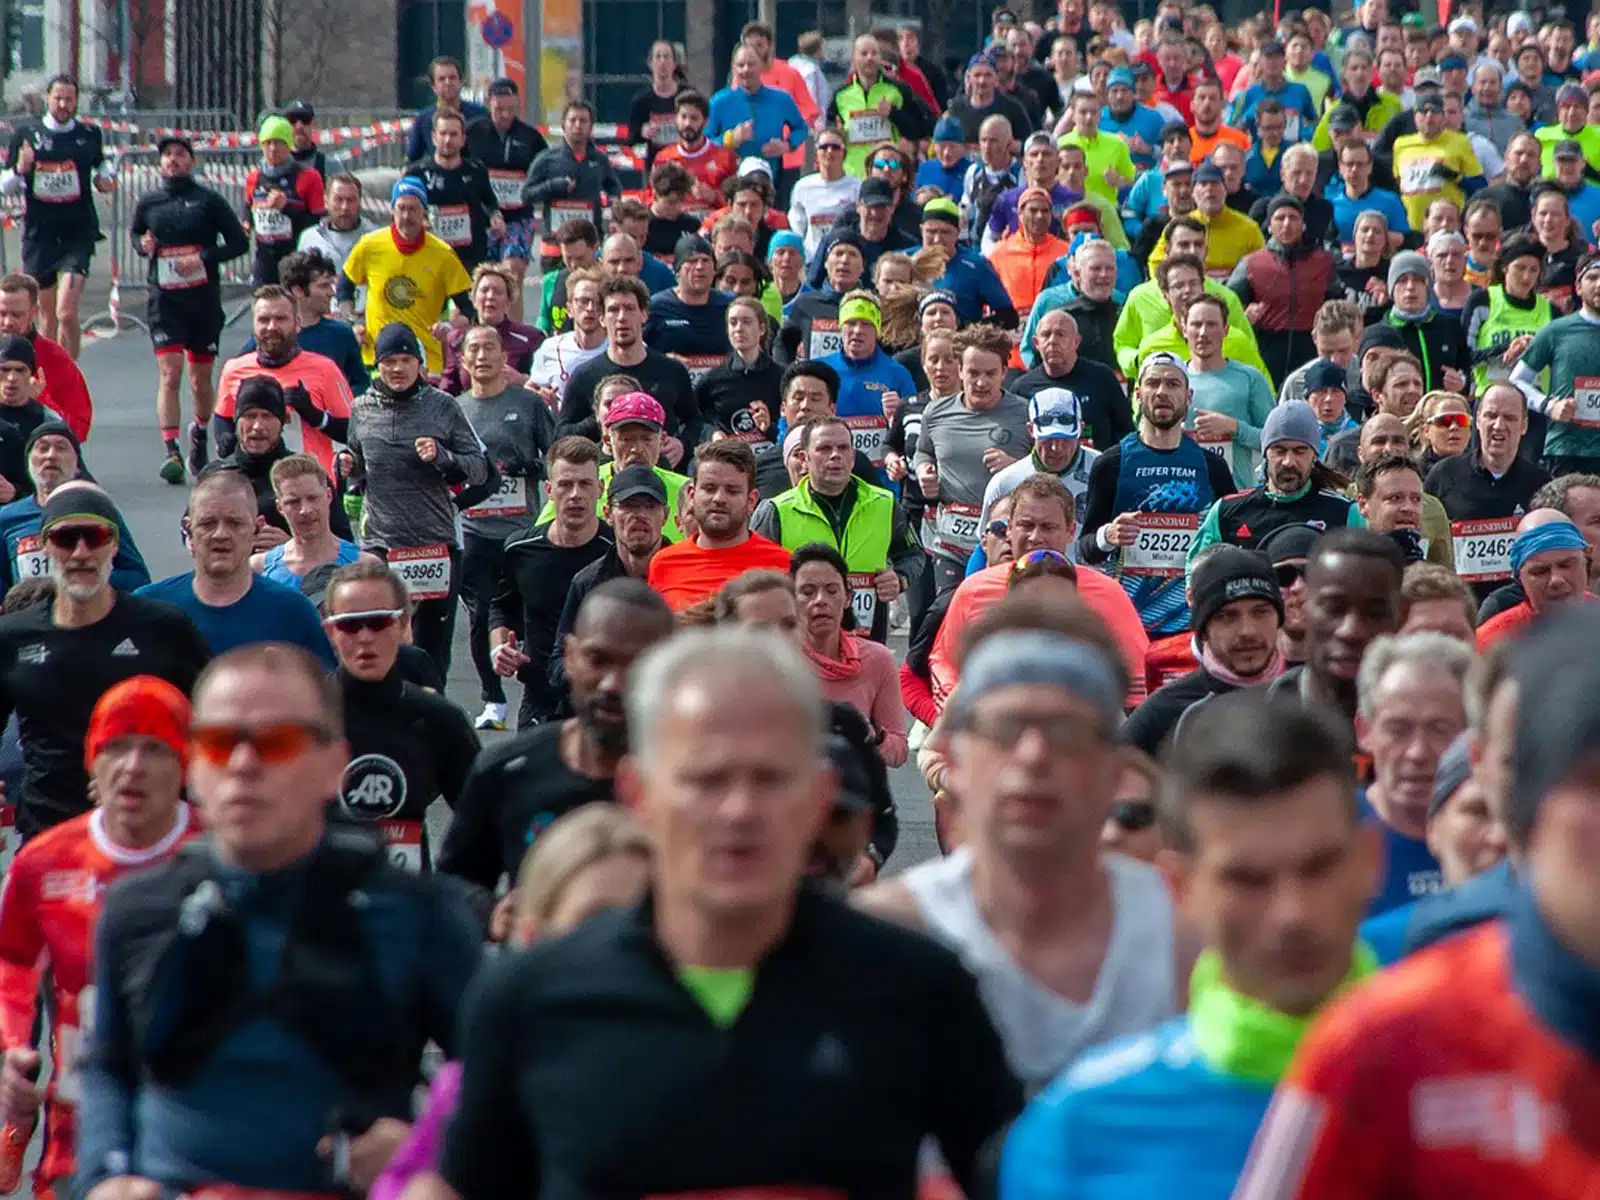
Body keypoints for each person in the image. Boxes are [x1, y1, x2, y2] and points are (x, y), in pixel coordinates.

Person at [443, 626, 1020, 1194]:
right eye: (706, 778)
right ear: (637, 794)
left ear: (820, 795)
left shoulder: (919, 990)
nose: (739, 809)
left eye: (769, 778)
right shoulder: (531, 998)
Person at [75, 644, 482, 1198]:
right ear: (195, 764)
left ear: (334, 767)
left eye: (277, 743)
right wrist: (107, 1175)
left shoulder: (418, 914)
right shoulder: (138, 910)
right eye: (220, 743)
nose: (244, 765)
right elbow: (108, 1067)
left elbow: (498, 1074)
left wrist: (429, 1152)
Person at [1234, 608, 1600, 1196]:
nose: (1416, 752)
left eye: (1437, 729)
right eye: (1594, 781)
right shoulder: (1384, 1040)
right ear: (1517, 792)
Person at [1003, 691, 1378, 1198]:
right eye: (1247, 880)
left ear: (1370, 860)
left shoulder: (1471, 1072)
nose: (1292, 913)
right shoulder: (1081, 1129)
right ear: (1181, 888)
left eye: (1318, 868)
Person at [865, 614, 1184, 1091]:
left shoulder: (1185, 942)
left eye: (1065, 731)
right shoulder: (882, 936)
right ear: (955, 760)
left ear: (1114, 769)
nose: (1034, 756)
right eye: (1006, 729)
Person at [371, 804, 653, 1200]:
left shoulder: (711, 1061)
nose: (623, 940)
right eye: (595, 922)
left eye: (646, 919)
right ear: (534, 936)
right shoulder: (475, 1088)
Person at [0, 675, 198, 1198]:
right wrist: (15, 1051)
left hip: (199, 1134)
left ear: (186, 764)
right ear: (91, 759)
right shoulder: (44, 863)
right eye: (116, 747)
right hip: (80, 1134)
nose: (133, 766)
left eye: (155, 749)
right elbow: (12, 964)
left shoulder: (223, 856)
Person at [0, 483, 209, 838]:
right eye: (66, 538)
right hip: (50, 832)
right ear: (46, 545)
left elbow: (212, 724)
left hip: (149, 835)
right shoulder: (13, 636)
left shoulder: (163, 628)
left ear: (114, 545)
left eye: (95, 537)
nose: (81, 552)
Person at [442, 577, 674, 895]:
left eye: (637, 665)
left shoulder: (696, 783)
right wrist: (495, 914)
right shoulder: (507, 771)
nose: (612, 684)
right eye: (598, 660)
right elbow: (453, 892)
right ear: (570, 656)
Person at [930, 474, 1150, 707]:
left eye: (1048, 527)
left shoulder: (1107, 593)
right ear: (1009, 529)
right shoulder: (974, 590)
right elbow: (944, 663)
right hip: (995, 721)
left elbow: (1139, 677)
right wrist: (960, 711)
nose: (1036, 537)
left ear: (1071, 531)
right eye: (1026, 525)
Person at [347, 323, 491, 673]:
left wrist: (444, 457)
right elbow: (359, 469)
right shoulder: (361, 408)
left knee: (430, 655)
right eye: (389, 361)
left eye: (405, 360)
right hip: (380, 545)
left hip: (434, 545)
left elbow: (480, 471)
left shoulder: (443, 406)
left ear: (419, 363)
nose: (397, 368)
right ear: (377, 365)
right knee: (382, 647)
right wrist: (347, 466)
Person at [324, 560, 478, 870]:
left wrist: (456, 889)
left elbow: (484, 821)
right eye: (350, 625)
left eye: (379, 622)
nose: (365, 637)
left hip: (409, 894)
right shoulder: (303, 718)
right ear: (330, 631)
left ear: (403, 624)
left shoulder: (437, 718)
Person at [1079, 353, 1237, 635]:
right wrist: (1108, 535)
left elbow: (1234, 541)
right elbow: (1085, 548)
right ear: (1138, 395)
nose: (1162, 392)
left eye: (1173, 384)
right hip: (1128, 624)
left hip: (1191, 624)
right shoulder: (1111, 464)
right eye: (1153, 383)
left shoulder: (1212, 466)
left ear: (1188, 397)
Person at [451, 323, 556, 730]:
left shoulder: (527, 404)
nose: (482, 356)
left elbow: (557, 455)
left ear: (504, 356)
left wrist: (530, 466)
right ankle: (492, 698)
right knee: (480, 615)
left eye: (489, 348)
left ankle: (541, 692)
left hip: (522, 530)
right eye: (474, 349)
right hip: (474, 529)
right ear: (463, 360)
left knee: (534, 612)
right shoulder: (454, 408)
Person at [130, 134, 250, 485]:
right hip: (164, 302)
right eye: (167, 155)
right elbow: (137, 236)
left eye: (181, 155)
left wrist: (203, 258)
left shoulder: (208, 201)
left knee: (200, 380)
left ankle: (199, 432)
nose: (174, 160)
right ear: (160, 162)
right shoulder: (149, 202)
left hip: (202, 302)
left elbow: (239, 243)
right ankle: (171, 451)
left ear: (191, 161)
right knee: (170, 374)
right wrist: (142, 244)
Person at [137, 470, 334, 667]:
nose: (220, 534)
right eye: (208, 524)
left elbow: (325, 684)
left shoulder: (293, 614)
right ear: (189, 530)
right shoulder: (147, 608)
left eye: (234, 523)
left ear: (257, 529)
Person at [1123, 546, 1287, 754]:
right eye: (1227, 616)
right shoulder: (1166, 711)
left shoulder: (1310, 696)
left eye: (1261, 612)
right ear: (1203, 630)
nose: (1247, 631)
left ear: (1279, 618)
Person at [1352, 630, 1472, 915]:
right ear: (1364, 731)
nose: (1417, 752)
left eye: (1439, 729)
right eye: (1398, 730)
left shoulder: (1500, 844)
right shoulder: (1331, 843)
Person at [0, 73, 115, 360]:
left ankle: (70, 374)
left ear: (77, 101)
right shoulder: (26, 134)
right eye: (58, 98)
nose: (63, 105)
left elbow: (102, 169)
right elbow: (4, 184)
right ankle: (46, 374)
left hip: (77, 232)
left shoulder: (89, 134)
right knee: (46, 315)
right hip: (40, 233)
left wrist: (105, 180)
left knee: (67, 312)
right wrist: (20, 170)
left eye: (69, 99)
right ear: (47, 99)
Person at [916, 326, 1035, 603]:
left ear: (1004, 372)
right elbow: (923, 451)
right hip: (950, 541)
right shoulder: (936, 412)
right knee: (947, 608)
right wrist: (924, 470)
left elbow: (1048, 468)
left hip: (1005, 540)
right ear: (960, 371)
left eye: (990, 374)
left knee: (999, 611)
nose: (981, 382)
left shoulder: (1025, 412)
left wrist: (1016, 466)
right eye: (973, 373)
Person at [1270, 528, 1405, 742]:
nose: (1351, 631)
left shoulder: (1431, 734)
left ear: (1399, 619)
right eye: (1334, 609)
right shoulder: (1260, 728)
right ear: (1307, 609)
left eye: (1374, 613)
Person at [213, 285, 358, 480]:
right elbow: (222, 417)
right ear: (253, 324)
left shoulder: (325, 369)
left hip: (311, 484)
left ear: (297, 323)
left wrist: (316, 417)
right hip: (252, 484)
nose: (271, 327)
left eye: (280, 319)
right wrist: (226, 439)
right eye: (264, 319)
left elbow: (354, 432)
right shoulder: (234, 369)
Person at [338, 178, 474, 376]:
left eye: (413, 209)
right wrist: (353, 322)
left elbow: (468, 309)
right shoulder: (369, 245)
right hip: (378, 358)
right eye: (401, 208)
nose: (406, 216)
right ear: (392, 210)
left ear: (424, 211)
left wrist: (448, 326)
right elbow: (344, 288)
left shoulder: (443, 254)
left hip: (427, 362)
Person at [1188, 402, 1352, 562]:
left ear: (1314, 455)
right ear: (1265, 453)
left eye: (1300, 451)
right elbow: (1197, 570)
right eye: (1279, 450)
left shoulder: (1344, 513)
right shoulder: (1227, 511)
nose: (1288, 462)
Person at [790, 543, 907, 767]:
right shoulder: (775, 661)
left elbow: (899, 752)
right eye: (807, 592)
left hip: (856, 784)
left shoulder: (878, 659)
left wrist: (872, 735)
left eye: (832, 590)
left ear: (848, 598)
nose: (820, 600)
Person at [0, 421, 146, 593]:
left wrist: (86, 575)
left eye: (61, 448)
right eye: (42, 448)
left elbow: (138, 578)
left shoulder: (97, 511)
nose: (51, 456)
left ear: (78, 465)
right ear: (28, 462)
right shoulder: (8, 517)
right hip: (28, 608)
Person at [558, 276, 696, 457]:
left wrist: (682, 444)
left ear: (644, 314)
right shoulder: (584, 376)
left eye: (629, 308)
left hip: (662, 468)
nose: (622, 317)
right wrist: (603, 415)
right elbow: (562, 435)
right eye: (613, 310)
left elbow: (695, 422)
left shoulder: (671, 371)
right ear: (601, 318)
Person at [647, 440, 791, 610]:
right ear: (692, 495)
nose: (719, 498)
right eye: (709, 488)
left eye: (732, 491)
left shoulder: (783, 565)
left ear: (751, 501)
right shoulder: (663, 564)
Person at [1227, 197, 1343, 388]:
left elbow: (1338, 303)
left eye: (1293, 217)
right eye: (1280, 218)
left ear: (1303, 225)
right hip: (1266, 346)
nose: (1287, 224)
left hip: (1311, 346)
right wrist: (1244, 314)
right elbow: (1229, 304)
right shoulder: (1251, 263)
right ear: (1269, 226)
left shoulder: (1324, 262)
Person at [1510, 251, 1600, 476]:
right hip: (1567, 450)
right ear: (1578, 287)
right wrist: (1549, 406)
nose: (1599, 285)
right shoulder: (1556, 331)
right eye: (1592, 277)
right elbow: (1517, 380)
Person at [980, 389, 1101, 549]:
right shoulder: (1005, 483)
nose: (1056, 448)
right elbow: (985, 546)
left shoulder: (1104, 470)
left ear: (1080, 429)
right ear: (1030, 430)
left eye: (1065, 439)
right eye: (1047, 439)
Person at [466, 78, 547, 298]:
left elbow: (545, 169)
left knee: (512, 274)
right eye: (499, 109)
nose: (505, 115)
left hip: (518, 217)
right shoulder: (472, 132)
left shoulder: (530, 137)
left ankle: (512, 319)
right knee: (482, 278)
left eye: (511, 109)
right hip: (481, 217)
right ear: (488, 103)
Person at [1012, 311, 1133, 451]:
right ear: (1036, 343)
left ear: (1076, 341)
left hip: (1098, 461)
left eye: (1060, 334)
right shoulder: (1022, 388)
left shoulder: (1101, 378)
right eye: (1046, 335)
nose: (1052, 341)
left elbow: (1126, 430)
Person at [1476, 510, 1594, 648]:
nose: (1556, 580)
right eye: (1540, 572)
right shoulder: (1492, 642)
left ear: (1586, 560)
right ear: (1520, 578)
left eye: (1566, 565)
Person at [250, 453, 365, 590]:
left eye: (312, 498)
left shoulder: (364, 565)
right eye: (293, 502)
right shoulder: (258, 569)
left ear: (329, 496)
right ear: (280, 507)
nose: (305, 510)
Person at [0, 273, 93, 442]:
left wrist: (39, 402)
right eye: (2, 314)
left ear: (34, 312)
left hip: (38, 452)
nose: (7, 322)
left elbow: (79, 429)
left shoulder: (56, 359)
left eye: (16, 315)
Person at [271, 250, 369, 396]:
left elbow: (360, 383)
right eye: (324, 286)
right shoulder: (272, 337)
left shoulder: (341, 334)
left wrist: (338, 400)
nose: (332, 293)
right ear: (298, 290)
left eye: (331, 285)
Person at [705, 43, 809, 180]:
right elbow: (705, 141)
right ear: (733, 68)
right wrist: (730, 139)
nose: (746, 70)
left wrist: (786, 145)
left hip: (770, 179)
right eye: (740, 65)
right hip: (730, 180)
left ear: (761, 66)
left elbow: (801, 128)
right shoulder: (719, 102)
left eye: (751, 64)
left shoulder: (781, 99)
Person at [245, 115, 327, 288]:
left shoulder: (309, 177)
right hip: (264, 263)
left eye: (279, 143)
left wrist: (287, 208)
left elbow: (318, 223)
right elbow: (248, 205)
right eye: (268, 143)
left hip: (297, 261)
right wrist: (246, 223)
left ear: (289, 144)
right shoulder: (254, 178)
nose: (273, 149)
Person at [439, 264, 542, 397]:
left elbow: (544, 385)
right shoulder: (455, 339)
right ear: (474, 299)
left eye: (498, 292)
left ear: (509, 301)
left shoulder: (530, 337)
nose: (490, 296)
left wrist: (522, 380)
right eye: (484, 290)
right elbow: (448, 387)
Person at [295, 174, 380, 293]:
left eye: (351, 200)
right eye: (338, 199)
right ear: (326, 201)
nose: (345, 207)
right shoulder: (310, 238)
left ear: (359, 202)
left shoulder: (376, 237)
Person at [406, 54, 487, 160]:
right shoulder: (423, 119)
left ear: (461, 82)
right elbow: (412, 158)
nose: (448, 83)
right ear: (433, 86)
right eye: (442, 79)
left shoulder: (480, 115)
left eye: (452, 78)